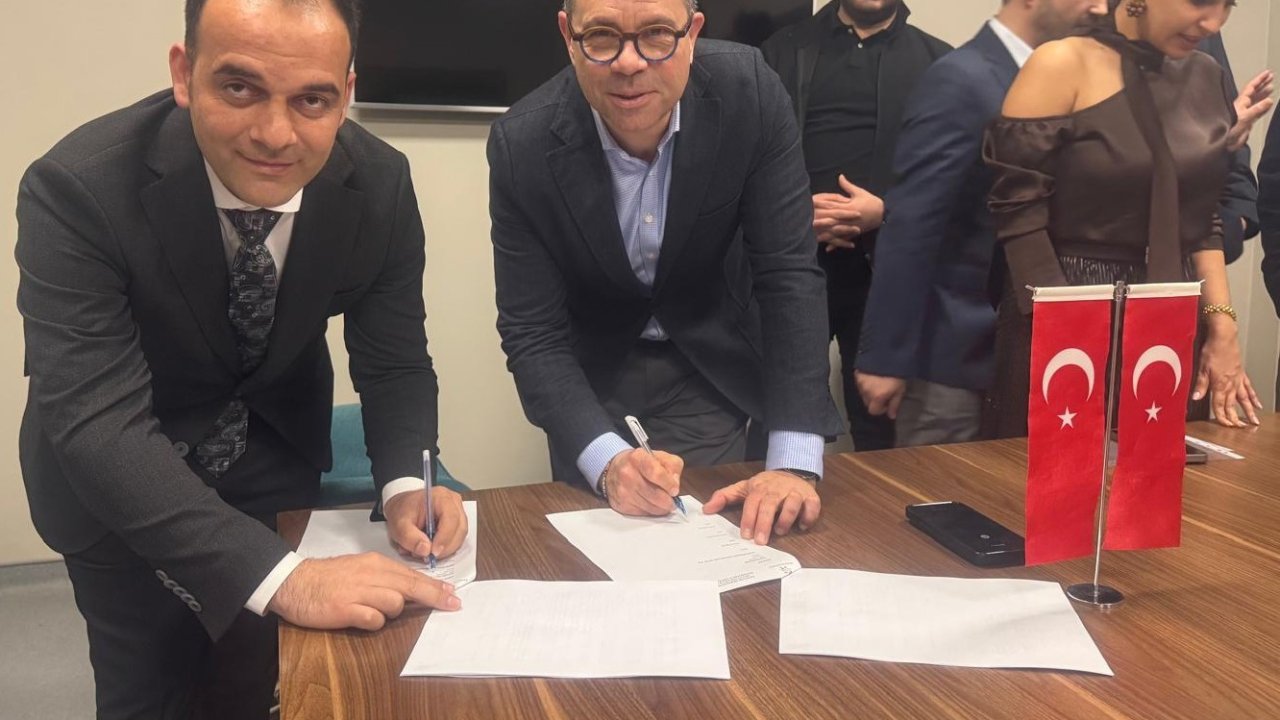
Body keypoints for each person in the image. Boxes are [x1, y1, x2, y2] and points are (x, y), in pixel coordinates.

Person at [16, 0, 468, 717]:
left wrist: (404, 482)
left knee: (253, 683)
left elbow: (395, 359)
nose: (275, 134)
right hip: (116, 480)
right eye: (239, 87)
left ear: (346, 93)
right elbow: (99, 422)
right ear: (184, 73)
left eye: (313, 99)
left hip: (270, 457)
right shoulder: (79, 188)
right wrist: (288, 578)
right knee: (148, 687)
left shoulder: (379, 183)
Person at [489, 0, 843, 546]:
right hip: (590, 372)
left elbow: (788, 275)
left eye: (657, 34)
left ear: (693, 32)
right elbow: (532, 330)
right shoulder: (523, 144)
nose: (629, 63)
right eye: (602, 35)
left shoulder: (748, 91)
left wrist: (794, 463)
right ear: (567, 36)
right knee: (600, 543)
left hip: (708, 356)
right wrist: (608, 463)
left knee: (702, 537)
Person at [981, 0, 1273, 438]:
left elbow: (1201, 217)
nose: (1214, 23)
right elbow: (1017, 210)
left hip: (1170, 310)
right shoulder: (1062, 62)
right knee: (1051, 467)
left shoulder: (1206, 74)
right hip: (1064, 297)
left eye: (1227, 5)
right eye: (1199, 1)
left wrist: (1222, 326)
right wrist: (1065, 325)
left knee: (1160, 468)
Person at [854, 0, 1106, 447]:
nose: (1101, 7)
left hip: (1032, 353)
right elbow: (914, 221)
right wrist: (885, 357)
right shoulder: (963, 79)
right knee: (942, 488)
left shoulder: (1073, 84)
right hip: (954, 360)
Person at [760, 0, 950, 451]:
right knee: (775, 413)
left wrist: (885, 212)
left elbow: (951, 176)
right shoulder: (780, 52)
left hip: (887, 274)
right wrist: (793, 215)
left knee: (879, 427)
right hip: (792, 269)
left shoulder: (940, 63)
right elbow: (745, 153)